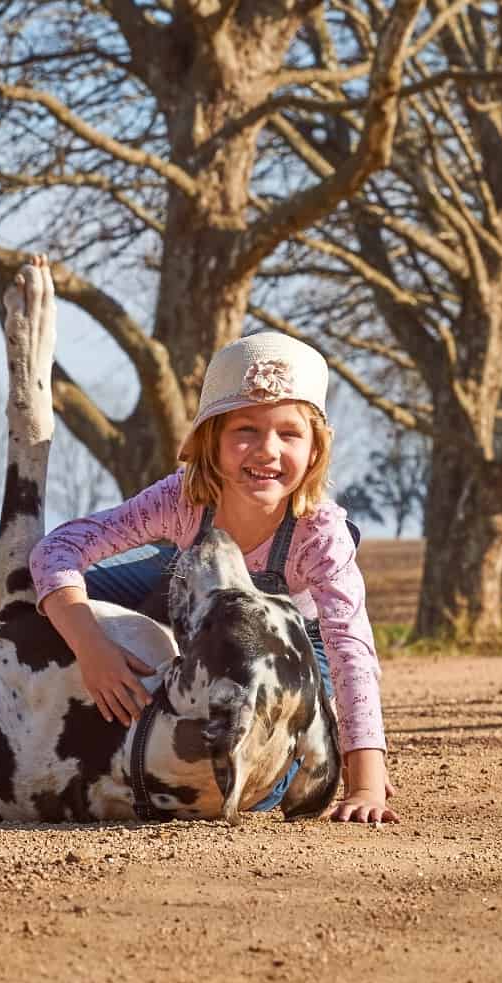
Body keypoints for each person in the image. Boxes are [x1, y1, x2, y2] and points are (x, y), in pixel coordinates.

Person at [29, 332, 396, 824]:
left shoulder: (320, 533)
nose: (267, 450)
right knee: (49, 599)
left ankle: (323, 729)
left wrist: (366, 779)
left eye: (289, 434)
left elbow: (351, 648)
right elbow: (58, 548)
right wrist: (90, 643)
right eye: (245, 430)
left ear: (314, 452)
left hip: (298, 643)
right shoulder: (181, 499)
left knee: (269, 767)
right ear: (212, 442)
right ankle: (49, 720)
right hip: (195, 597)